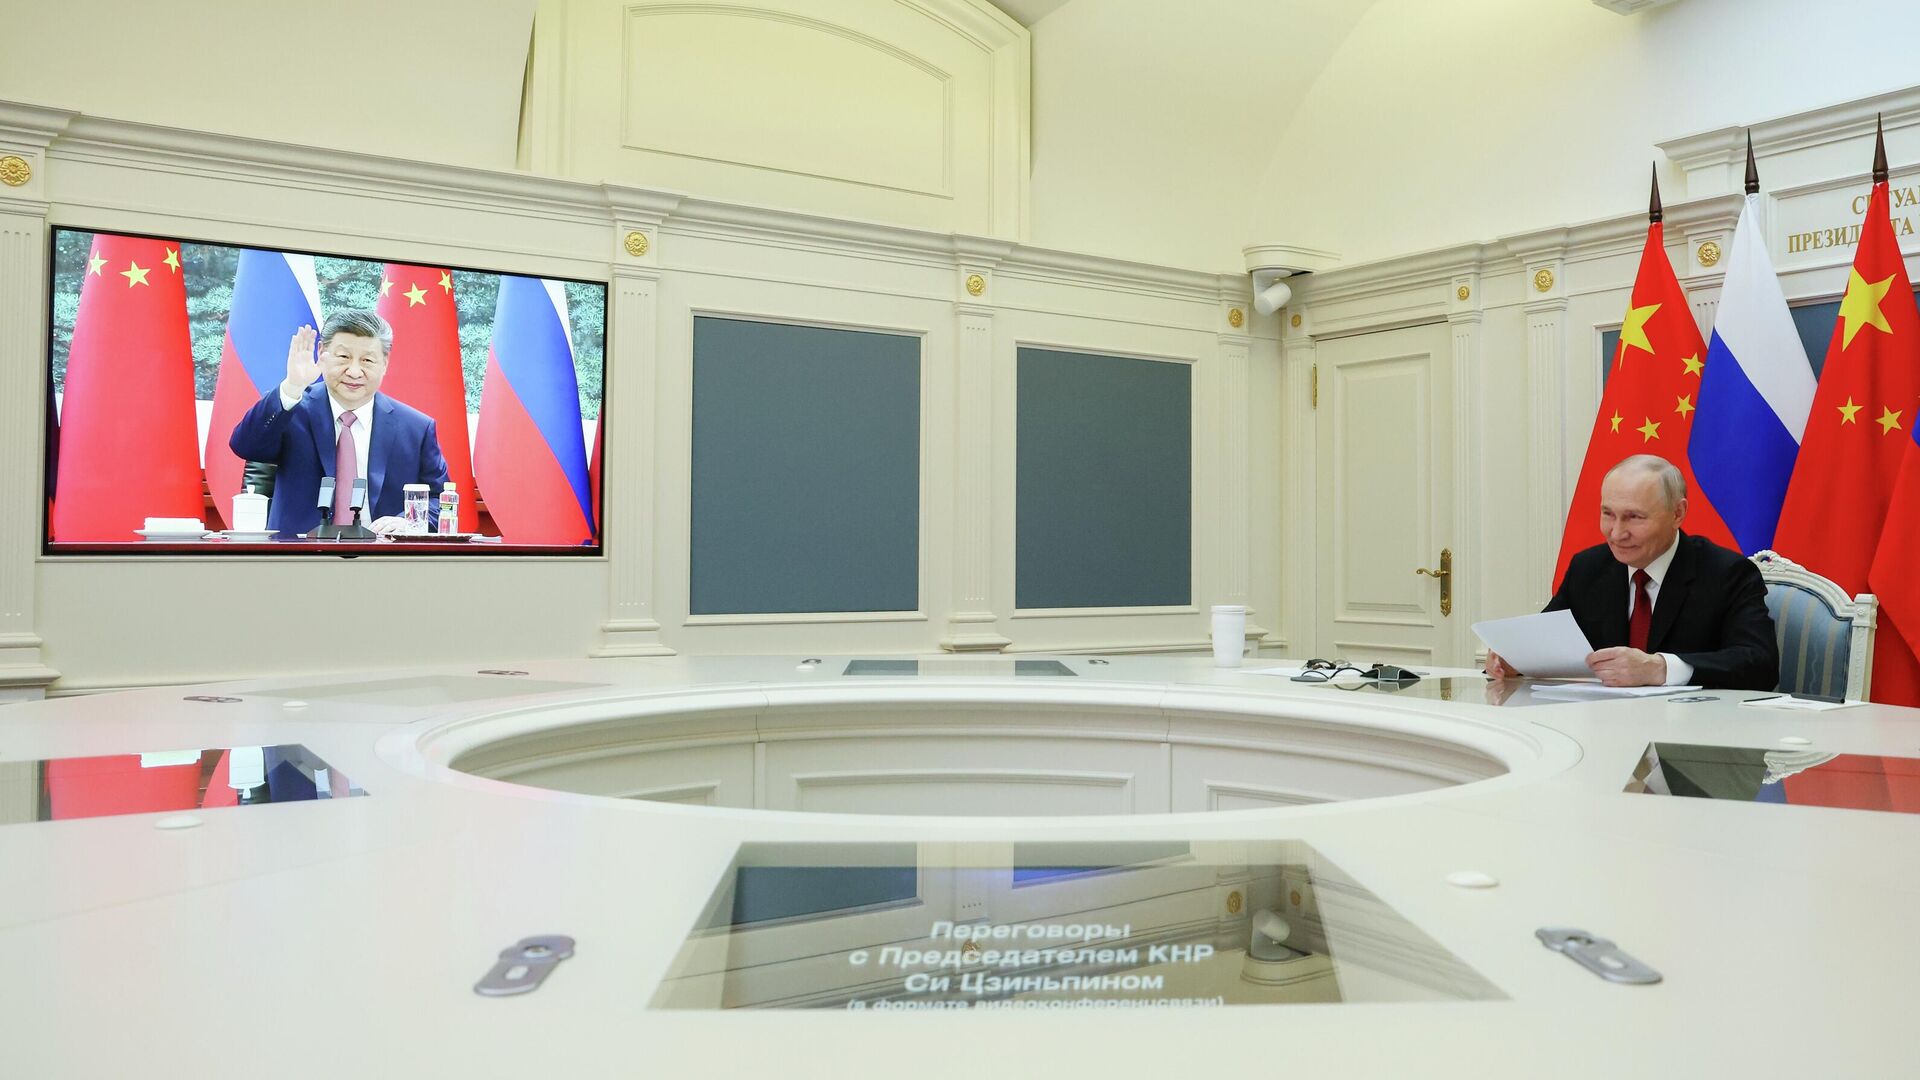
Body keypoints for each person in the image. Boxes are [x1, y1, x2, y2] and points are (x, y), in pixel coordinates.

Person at [1486, 454, 1778, 690]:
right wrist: (1513, 660)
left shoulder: (1726, 573)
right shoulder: (1588, 568)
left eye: (1634, 517)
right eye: (1608, 514)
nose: (1616, 533)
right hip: (1601, 731)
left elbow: (1760, 666)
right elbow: (1544, 641)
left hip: (1691, 735)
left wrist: (1659, 668)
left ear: (1677, 513)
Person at [229, 310, 449, 536]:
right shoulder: (291, 408)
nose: (354, 372)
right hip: (299, 553)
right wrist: (292, 386)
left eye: (367, 360)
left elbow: (441, 501)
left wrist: (407, 521)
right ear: (321, 352)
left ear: (384, 363)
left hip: (382, 553)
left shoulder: (416, 428)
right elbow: (245, 446)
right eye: (343, 357)